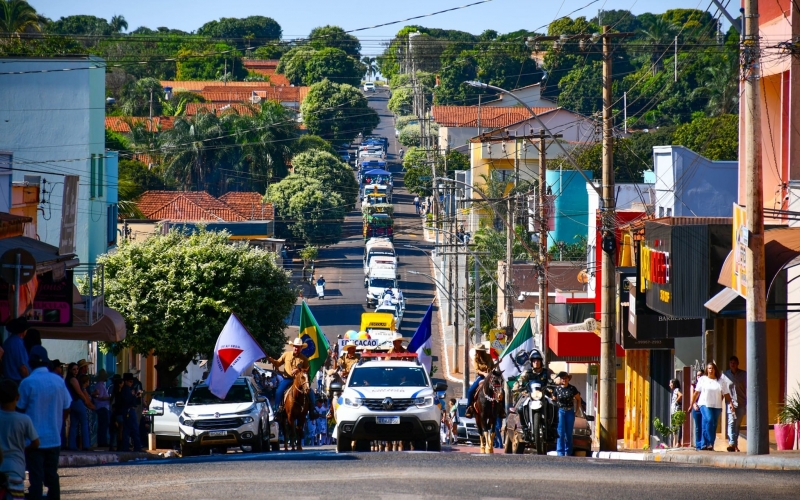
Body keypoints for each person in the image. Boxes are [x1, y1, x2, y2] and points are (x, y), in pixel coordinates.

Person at [17, 346, 71, 500]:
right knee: (52, 475)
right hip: (54, 437)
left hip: (33, 440)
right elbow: (67, 406)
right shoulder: (58, 381)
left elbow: (19, 409)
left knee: (36, 477)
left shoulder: (27, 383)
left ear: (31, 363)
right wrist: (58, 422)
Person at [0, 379, 40, 498]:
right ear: (17, 397)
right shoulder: (24, 420)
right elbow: (36, 442)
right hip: (16, 469)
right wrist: (24, 447)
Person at [688, 362, 735, 451]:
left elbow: (726, 394)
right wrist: (691, 404)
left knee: (712, 424)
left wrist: (731, 404)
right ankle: (709, 442)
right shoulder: (702, 379)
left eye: (712, 368)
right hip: (704, 404)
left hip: (716, 405)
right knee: (709, 420)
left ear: (715, 370)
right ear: (707, 370)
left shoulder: (721, 381)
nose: (711, 370)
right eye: (709, 368)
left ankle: (706, 445)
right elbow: (696, 393)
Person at [268, 338, 311, 416]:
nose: (296, 348)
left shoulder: (304, 359)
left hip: (299, 380)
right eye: (295, 346)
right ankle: (277, 410)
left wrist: (298, 370)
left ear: (301, 348)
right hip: (287, 379)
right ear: (293, 346)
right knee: (278, 392)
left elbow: (307, 370)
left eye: (298, 347)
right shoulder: (286, 354)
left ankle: (312, 410)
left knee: (311, 394)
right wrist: (272, 360)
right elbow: (277, 363)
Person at [552, 371, 582, 456]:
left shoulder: (572, 389)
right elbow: (554, 400)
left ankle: (568, 452)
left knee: (569, 433)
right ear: (560, 380)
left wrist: (576, 411)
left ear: (568, 379)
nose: (564, 380)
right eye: (562, 378)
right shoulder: (557, 389)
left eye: (566, 378)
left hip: (570, 412)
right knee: (560, 432)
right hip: (560, 411)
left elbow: (578, 399)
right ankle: (560, 452)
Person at [66, 364, 94, 451]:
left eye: (77, 369)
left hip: (71, 402)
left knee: (73, 424)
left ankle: (72, 445)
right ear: (70, 370)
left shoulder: (68, 379)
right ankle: (86, 445)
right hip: (77, 401)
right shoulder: (73, 379)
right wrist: (85, 399)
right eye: (74, 369)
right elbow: (79, 392)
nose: (76, 371)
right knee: (84, 422)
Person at [722, 355, 747, 452]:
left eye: (734, 363)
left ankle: (735, 444)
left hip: (741, 403)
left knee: (737, 424)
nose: (733, 364)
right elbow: (723, 389)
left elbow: (747, 388)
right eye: (731, 363)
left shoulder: (744, 374)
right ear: (729, 364)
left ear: (737, 364)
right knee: (731, 422)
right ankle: (731, 443)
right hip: (730, 403)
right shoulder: (725, 375)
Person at [465, 344, 493, 418]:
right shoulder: (475, 359)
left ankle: (501, 410)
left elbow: (492, 366)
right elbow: (477, 370)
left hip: (490, 376)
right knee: (470, 391)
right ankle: (469, 407)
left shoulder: (489, 356)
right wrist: (484, 373)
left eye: (479, 351)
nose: (478, 352)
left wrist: (498, 363)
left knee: (500, 390)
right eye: (477, 351)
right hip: (481, 377)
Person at [118, 373, 143, 452]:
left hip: (127, 410)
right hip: (129, 410)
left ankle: (125, 447)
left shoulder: (126, 389)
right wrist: (135, 396)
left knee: (127, 430)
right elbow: (128, 400)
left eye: (132, 382)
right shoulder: (126, 390)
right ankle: (137, 447)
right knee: (135, 429)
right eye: (130, 381)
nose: (131, 383)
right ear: (125, 381)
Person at [2, 317, 31, 383]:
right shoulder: (18, 344)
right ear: (23, 331)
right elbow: (23, 368)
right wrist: (29, 381)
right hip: (17, 381)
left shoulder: (8, 342)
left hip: (8, 380)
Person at [92, 369, 112, 448]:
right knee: (103, 425)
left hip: (103, 407)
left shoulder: (102, 385)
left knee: (103, 425)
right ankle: (102, 441)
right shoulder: (100, 385)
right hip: (102, 407)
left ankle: (102, 441)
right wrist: (108, 398)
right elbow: (99, 397)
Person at [691, 369, 705, 451]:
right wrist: (693, 404)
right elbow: (692, 396)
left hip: (704, 407)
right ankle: (698, 444)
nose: (699, 377)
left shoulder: (706, 385)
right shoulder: (694, 385)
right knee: (698, 427)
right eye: (698, 375)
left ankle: (704, 444)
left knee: (704, 426)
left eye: (701, 375)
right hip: (696, 408)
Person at [669, 379, 683, 448]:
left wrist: (676, 402)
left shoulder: (676, 390)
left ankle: (678, 442)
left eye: (670, 383)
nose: (669, 385)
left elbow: (681, 395)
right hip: (674, 411)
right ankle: (675, 443)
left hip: (676, 410)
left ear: (674, 384)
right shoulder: (675, 391)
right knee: (675, 427)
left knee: (677, 426)